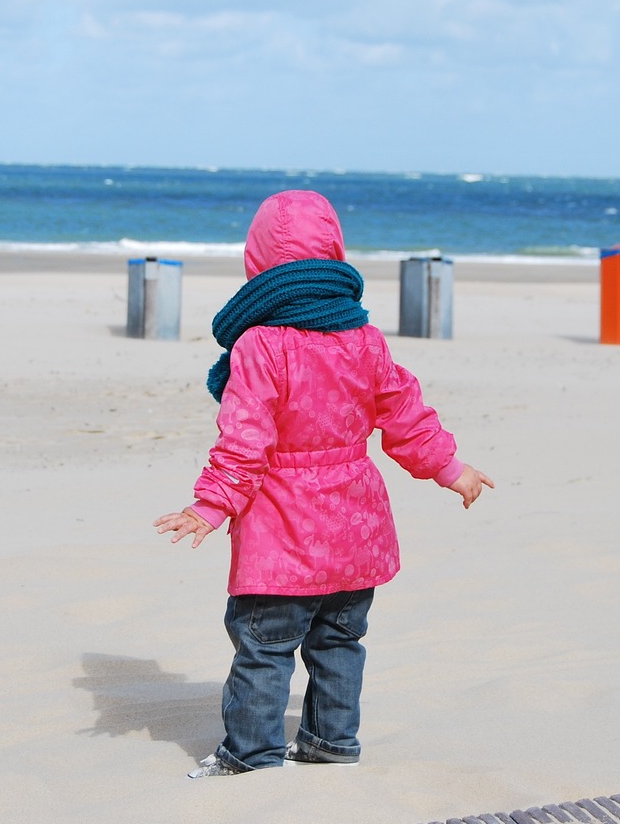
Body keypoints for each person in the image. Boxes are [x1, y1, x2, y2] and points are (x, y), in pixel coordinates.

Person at [154, 190, 493, 778]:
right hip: (355, 528)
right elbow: (405, 414)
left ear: (257, 264)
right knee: (339, 644)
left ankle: (253, 753)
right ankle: (331, 744)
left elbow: (245, 438)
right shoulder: (363, 338)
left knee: (264, 647)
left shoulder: (259, 344)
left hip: (281, 535)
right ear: (335, 253)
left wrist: (211, 505)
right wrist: (449, 468)